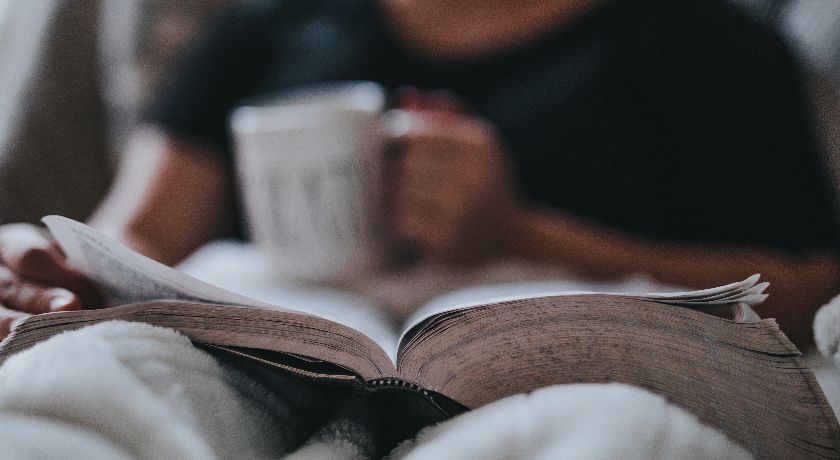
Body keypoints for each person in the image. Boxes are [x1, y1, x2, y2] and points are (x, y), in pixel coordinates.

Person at [0, 0, 838, 347]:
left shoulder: (702, 41)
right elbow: (133, 234)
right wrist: (38, 264)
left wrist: (520, 234)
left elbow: (811, 289)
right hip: (271, 361)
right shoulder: (267, 27)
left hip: (554, 376)